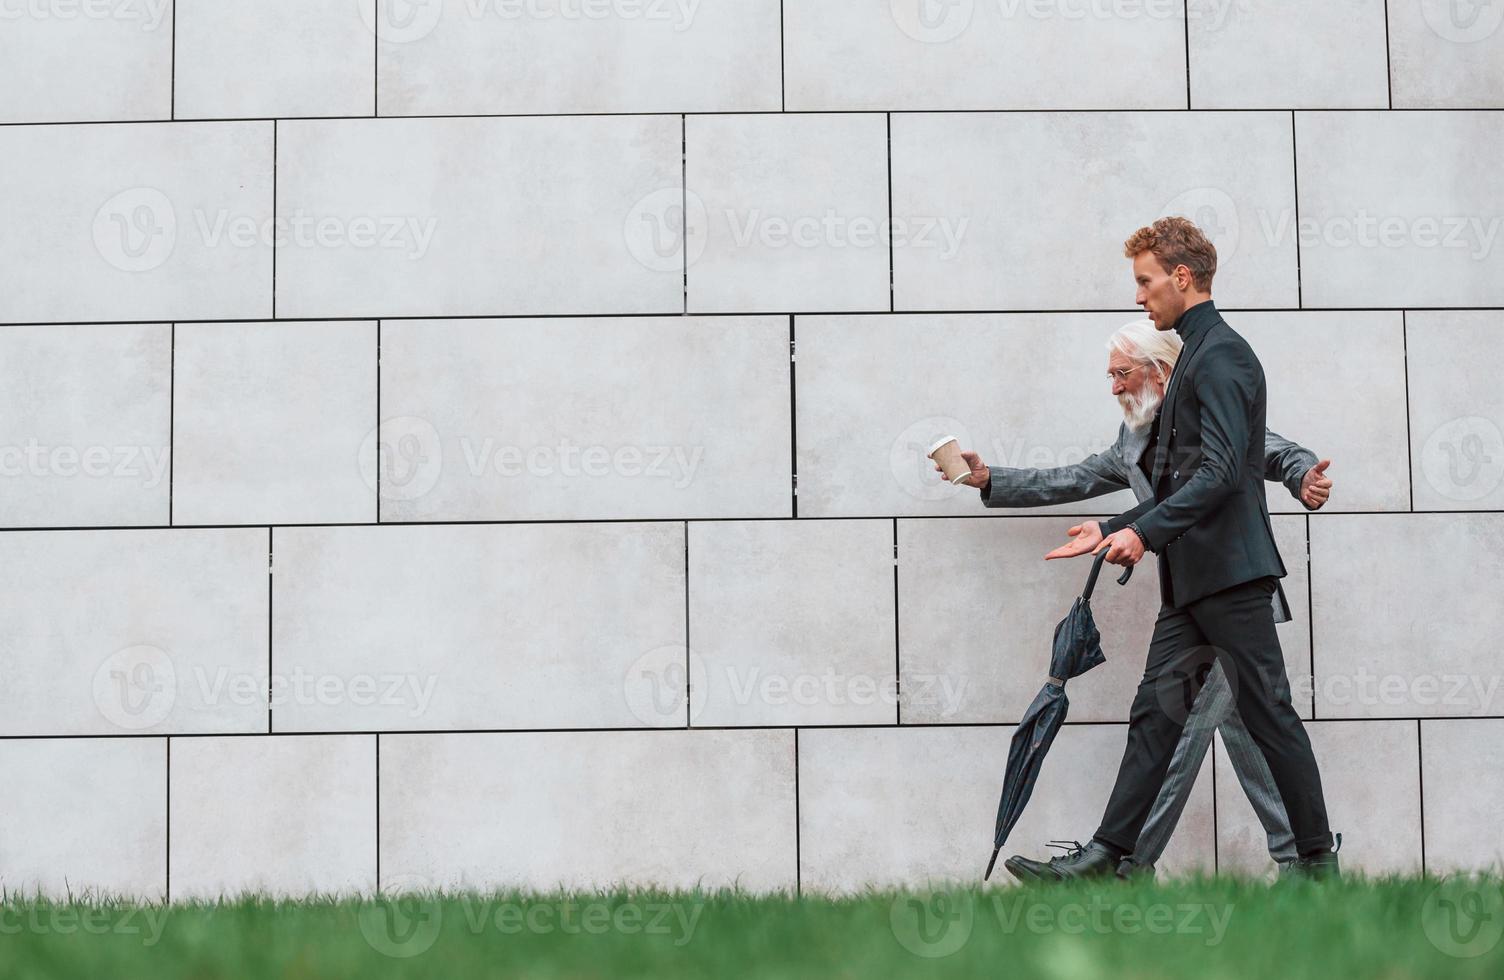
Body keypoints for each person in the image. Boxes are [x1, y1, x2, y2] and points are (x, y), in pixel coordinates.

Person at [1005, 216, 1341, 881]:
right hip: (1194, 582)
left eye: (1146, 281)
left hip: (1232, 578)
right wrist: (1113, 527)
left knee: (1269, 717)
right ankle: (1107, 858)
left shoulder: (1222, 357)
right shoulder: (1197, 355)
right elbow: (1186, 481)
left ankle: (1313, 867)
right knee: (1154, 715)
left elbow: (1222, 473)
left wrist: (1139, 531)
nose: (1139, 296)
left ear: (1182, 278)